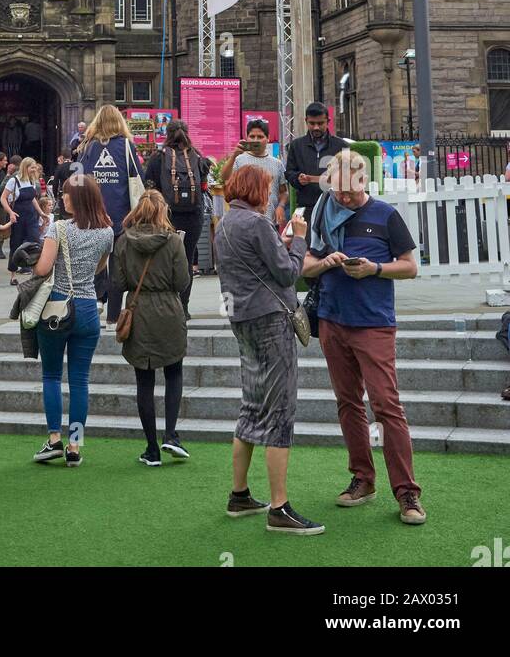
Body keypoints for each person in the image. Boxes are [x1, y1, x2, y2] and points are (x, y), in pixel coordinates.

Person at [303, 148, 425, 526]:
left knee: (387, 407)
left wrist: (374, 269)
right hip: (332, 321)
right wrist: (327, 262)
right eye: (337, 190)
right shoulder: (322, 211)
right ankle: (362, 479)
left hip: (373, 324)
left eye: (350, 192)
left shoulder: (386, 215)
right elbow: (306, 265)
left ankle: (407, 493)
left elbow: (410, 267)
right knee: (348, 403)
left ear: (364, 181)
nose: (343, 198)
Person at [215, 166, 322, 534]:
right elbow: (287, 272)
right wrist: (299, 240)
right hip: (271, 319)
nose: (269, 194)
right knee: (279, 410)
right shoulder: (257, 224)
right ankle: (279, 507)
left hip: (241, 317)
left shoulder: (224, 224)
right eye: (266, 188)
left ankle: (240, 493)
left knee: (251, 404)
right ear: (256, 190)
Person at [31, 173, 114, 467]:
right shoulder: (106, 231)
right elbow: (99, 268)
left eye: (66, 194)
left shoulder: (59, 229)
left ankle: (54, 439)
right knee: (80, 380)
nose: (63, 198)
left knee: (52, 375)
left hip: (57, 307)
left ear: (77, 199)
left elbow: (42, 269)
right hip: (88, 307)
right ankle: (75, 444)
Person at [111, 189, 191, 465]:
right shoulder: (173, 241)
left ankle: (151, 448)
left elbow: (118, 282)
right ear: (162, 211)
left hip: (139, 310)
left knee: (144, 380)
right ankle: (171, 435)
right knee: (174, 371)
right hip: (168, 310)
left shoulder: (123, 241)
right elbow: (182, 282)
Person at [78, 105, 144, 330]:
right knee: (117, 266)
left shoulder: (87, 148)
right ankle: (113, 316)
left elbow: (77, 181)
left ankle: (96, 303)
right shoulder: (126, 146)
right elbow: (139, 178)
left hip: (92, 215)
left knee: (95, 262)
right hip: (121, 216)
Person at [143, 119, 209, 317]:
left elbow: (150, 189)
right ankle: (184, 308)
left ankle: (167, 306)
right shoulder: (197, 157)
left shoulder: (158, 157)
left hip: (167, 216)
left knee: (165, 260)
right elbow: (204, 188)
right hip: (193, 216)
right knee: (186, 259)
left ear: (167, 135)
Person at [283, 102, 347, 236]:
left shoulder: (341, 145)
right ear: (306, 121)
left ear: (328, 121)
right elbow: (289, 173)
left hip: (334, 207)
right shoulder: (296, 146)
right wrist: (298, 178)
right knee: (306, 248)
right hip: (307, 207)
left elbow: (348, 176)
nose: (316, 127)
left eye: (320, 123)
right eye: (312, 123)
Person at [217, 119, 287, 227]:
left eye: (260, 137)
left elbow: (283, 192)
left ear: (268, 138)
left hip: (269, 222)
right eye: (252, 136)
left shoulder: (277, 164)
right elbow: (224, 177)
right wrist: (234, 155)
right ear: (246, 138)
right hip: (243, 222)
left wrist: (281, 206)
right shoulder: (239, 160)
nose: (256, 140)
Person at [2, 156, 46, 284]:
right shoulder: (13, 181)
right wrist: (10, 212)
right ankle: (13, 274)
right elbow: (3, 198)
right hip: (18, 215)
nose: (34, 169)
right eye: (32, 167)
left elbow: (33, 199)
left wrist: (41, 213)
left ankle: (34, 271)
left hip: (31, 216)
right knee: (16, 243)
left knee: (35, 242)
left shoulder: (32, 181)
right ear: (26, 167)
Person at [0, 160, 18, 259]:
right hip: (10, 205)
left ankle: (0, 249)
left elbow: (2, 187)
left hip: (8, 205)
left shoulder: (13, 176)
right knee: (6, 227)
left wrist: (8, 174)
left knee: (4, 226)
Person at [50, 150, 74, 217]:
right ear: (71, 157)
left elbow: (55, 182)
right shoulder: (77, 166)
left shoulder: (60, 167)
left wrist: (55, 195)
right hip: (75, 193)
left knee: (64, 213)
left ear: (62, 157)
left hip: (64, 192)